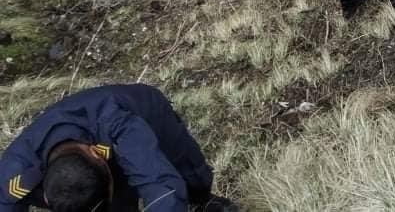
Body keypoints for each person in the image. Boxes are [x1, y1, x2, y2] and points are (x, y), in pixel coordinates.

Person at [0, 83, 238, 212]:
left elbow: (160, 184)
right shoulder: (16, 170)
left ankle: (203, 200)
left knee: (190, 176)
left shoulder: (121, 125)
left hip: (147, 113)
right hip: (94, 161)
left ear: (97, 155)